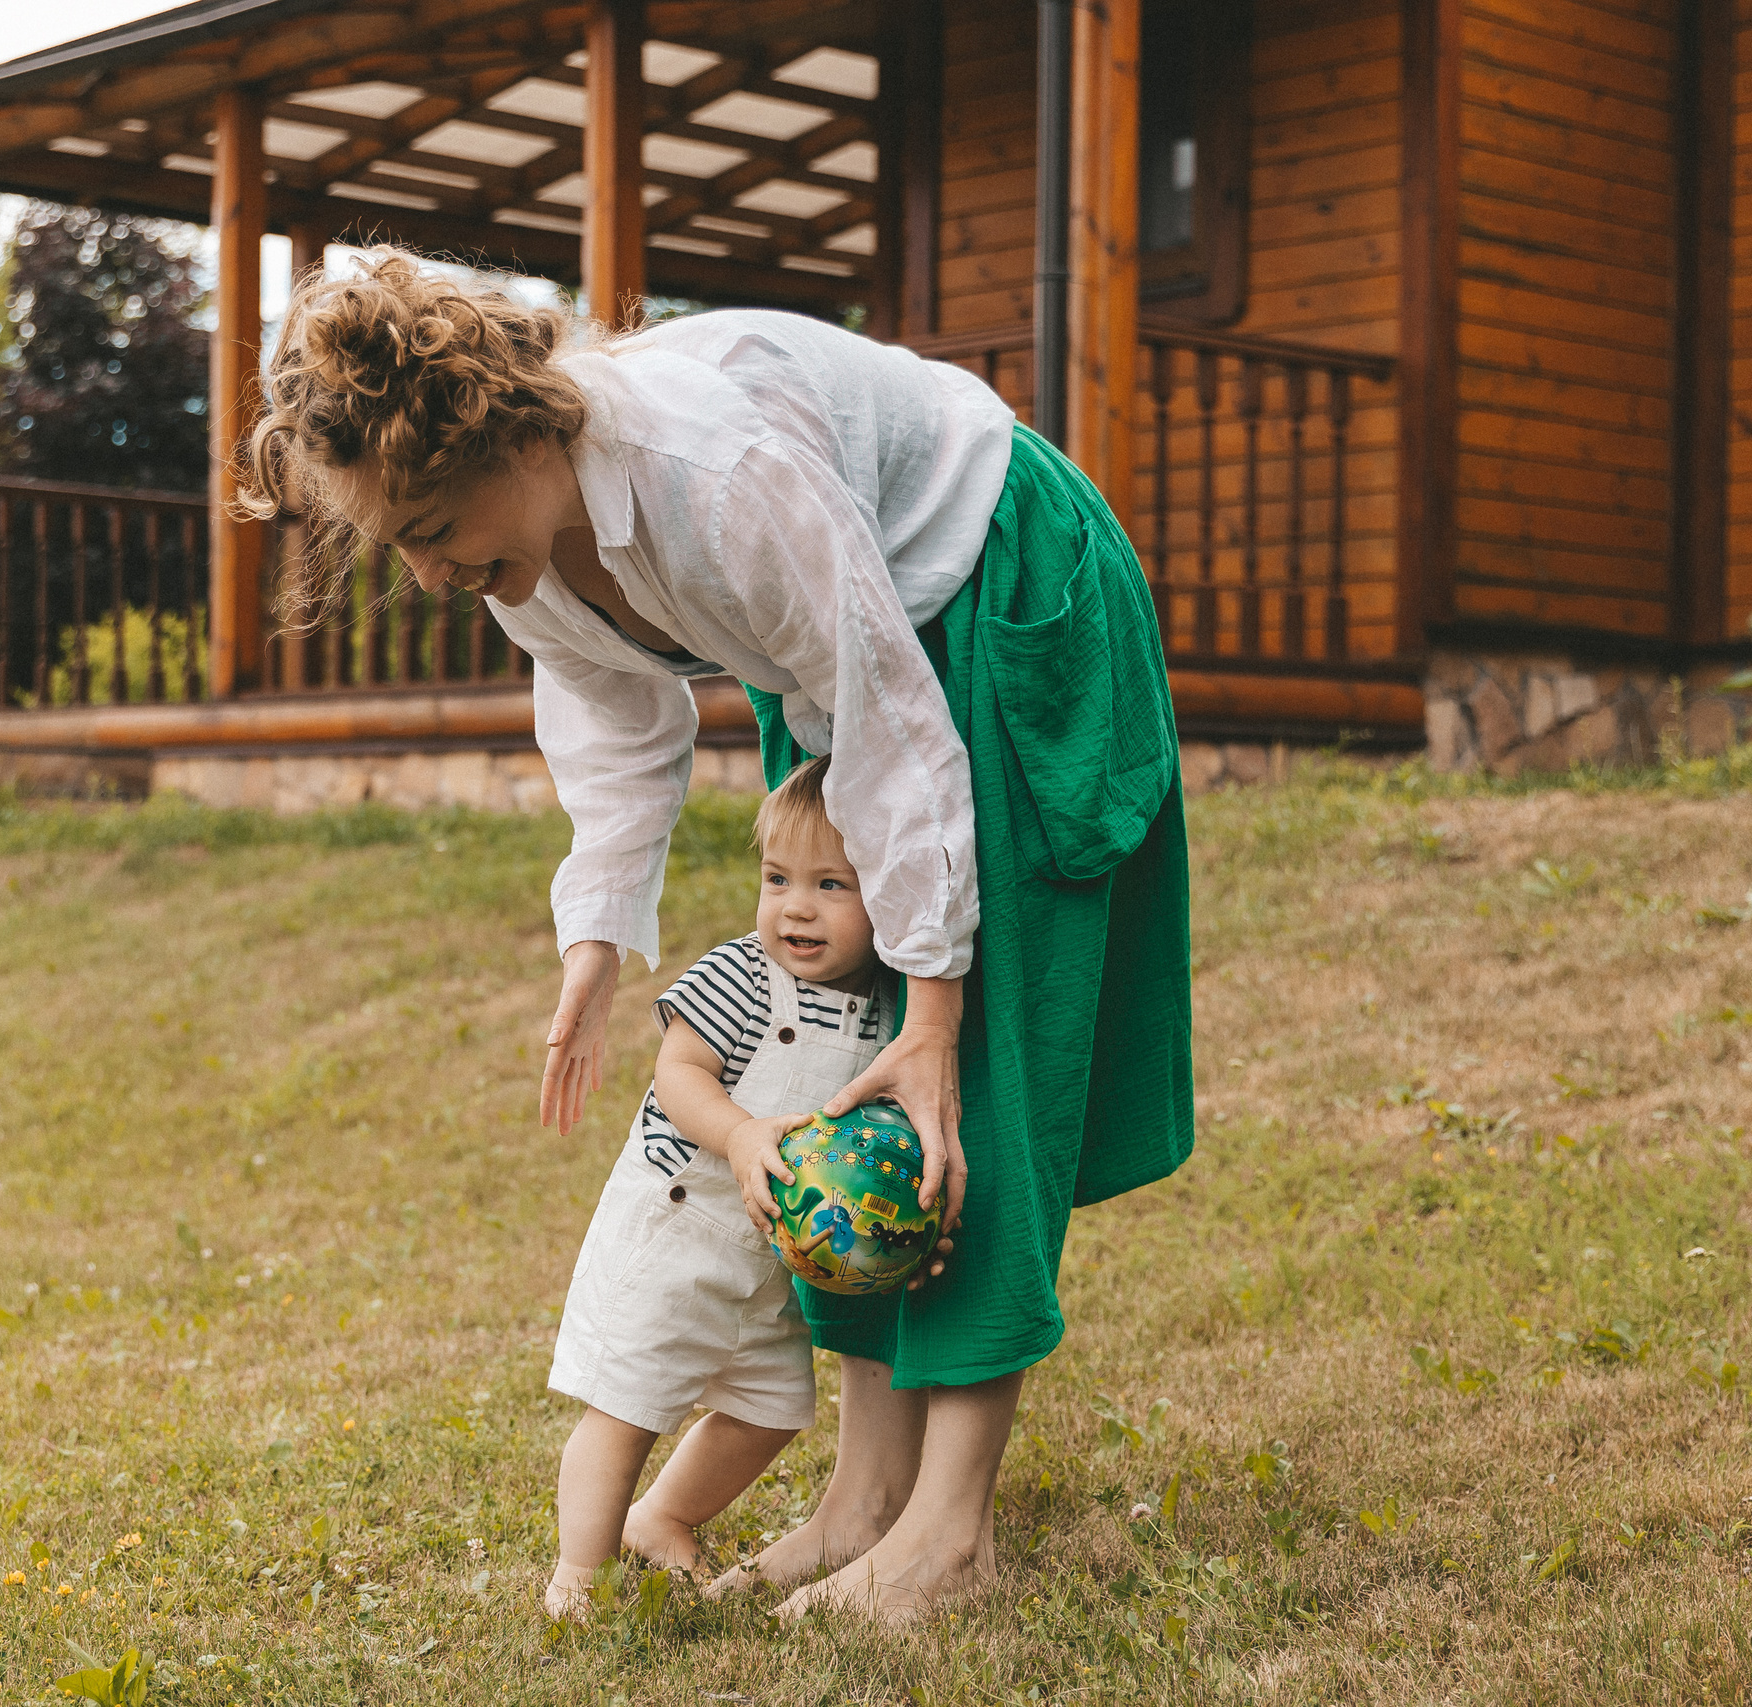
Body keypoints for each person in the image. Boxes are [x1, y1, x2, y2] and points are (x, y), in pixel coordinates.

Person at [239, 252, 1195, 1622]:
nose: (433, 573)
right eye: (401, 545)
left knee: (969, 1070)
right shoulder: (524, 553)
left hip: (990, 577)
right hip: (849, 657)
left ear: (525, 434)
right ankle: (866, 1496)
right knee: (846, 1067)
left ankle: (949, 1529)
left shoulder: (716, 477)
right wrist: (595, 950)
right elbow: (617, 730)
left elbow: (894, 720)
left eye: (437, 527)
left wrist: (936, 1015)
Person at [543, 756, 929, 1618]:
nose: (797, 906)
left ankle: (664, 1516)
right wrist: (740, 1131)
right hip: (679, 1235)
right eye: (777, 878)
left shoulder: (888, 1006)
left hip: (771, 1270)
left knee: (771, 1410)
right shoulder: (743, 974)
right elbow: (678, 1072)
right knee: (627, 1405)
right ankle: (578, 1571)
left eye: (832, 884)